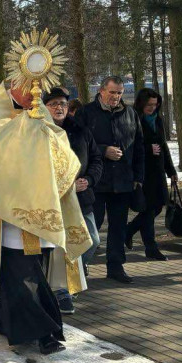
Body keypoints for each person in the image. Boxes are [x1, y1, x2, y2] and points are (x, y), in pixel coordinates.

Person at [0, 81, 91, 355]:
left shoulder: (41, 117)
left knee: (29, 273)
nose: (30, 92)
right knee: (22, 276)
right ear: (9, 90)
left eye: (34, 87)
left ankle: (8, 323)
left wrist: (42, 131)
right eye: (23, 87)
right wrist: (23, 129)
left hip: (41, 210)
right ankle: (46, 333)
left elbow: (62, 154)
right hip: (8, 215)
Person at [76, 77, 144, 283]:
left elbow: (138, 145)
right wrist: (103, 149)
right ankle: (82, 264)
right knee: (91, 228)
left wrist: (138, 177)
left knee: (118, 227)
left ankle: (115, 266)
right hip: (95, 181)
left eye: (120, 93)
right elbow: (77, 144)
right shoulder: (86, 113)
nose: (116, 97)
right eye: (112, 92)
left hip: (122, 180)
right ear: (101, 91)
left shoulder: (130, 113)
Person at [43, 87, 101, 314]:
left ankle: (77, 269)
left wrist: (89, 179)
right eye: (54, 104)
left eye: (64, 104)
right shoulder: (39, 131)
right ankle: (61, 291)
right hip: (53, 200)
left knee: (92, 240)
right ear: (45, 107)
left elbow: (96, 158)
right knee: (58, 247)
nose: (60, 108)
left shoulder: (81, 130)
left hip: (81, 199)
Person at [126, 88, 177, 261]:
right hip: (143, 171)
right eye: (149, 105)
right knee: (148, 210)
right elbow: (128, 145)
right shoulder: (133, 119)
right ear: (141, 103)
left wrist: (171, 171)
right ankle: (151, 247)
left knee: (156, 208)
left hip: (158, 171)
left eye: (155, 105)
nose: (152, 108)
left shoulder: (158, 120)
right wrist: (148, 149)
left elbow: (163, 146)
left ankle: (129, 230)